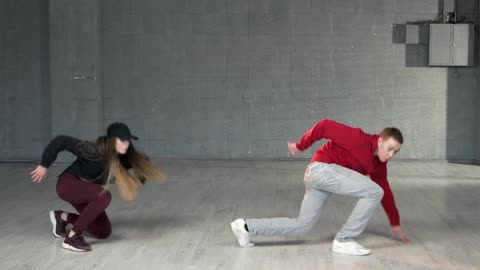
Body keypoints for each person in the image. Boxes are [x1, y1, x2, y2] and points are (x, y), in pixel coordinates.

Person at [230, 119, 410, 255]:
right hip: (321, 170)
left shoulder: (379, 165)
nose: (392, 154)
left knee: (302, 226)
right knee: (373, 191)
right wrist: (301, 146)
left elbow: (385, 191)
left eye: (396, 151)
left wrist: (395, 223)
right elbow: (324, 125)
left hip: (320, 178)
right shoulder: (359, 139)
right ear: (380, 141)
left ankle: (245, 226)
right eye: (390, 148)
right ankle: (344, 239)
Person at [31, 122, 165, 252]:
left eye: (128, 141)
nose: (126, 144)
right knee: (104, 196)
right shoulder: (92, 150)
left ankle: (61, 217)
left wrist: (137, 184)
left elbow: (144, 161)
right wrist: (44, 165)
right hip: (68, 185)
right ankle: (71, 239)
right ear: (112, 140)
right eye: (122, 140)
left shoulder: (120, 158)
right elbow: (61, 141)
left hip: (87, 192)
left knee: (103, 231)